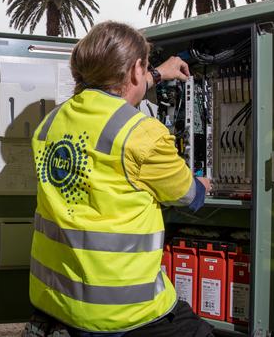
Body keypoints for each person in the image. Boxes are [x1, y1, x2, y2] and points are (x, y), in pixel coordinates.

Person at [26, 21, 213, 337]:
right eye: (145, 66)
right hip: (120, 310)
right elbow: (188, 196)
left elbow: (108, 105)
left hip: (55, 299)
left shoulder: (50, 124)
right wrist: (203, 185)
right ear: (135, 70)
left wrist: (155, 74)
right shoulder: (143, 134)